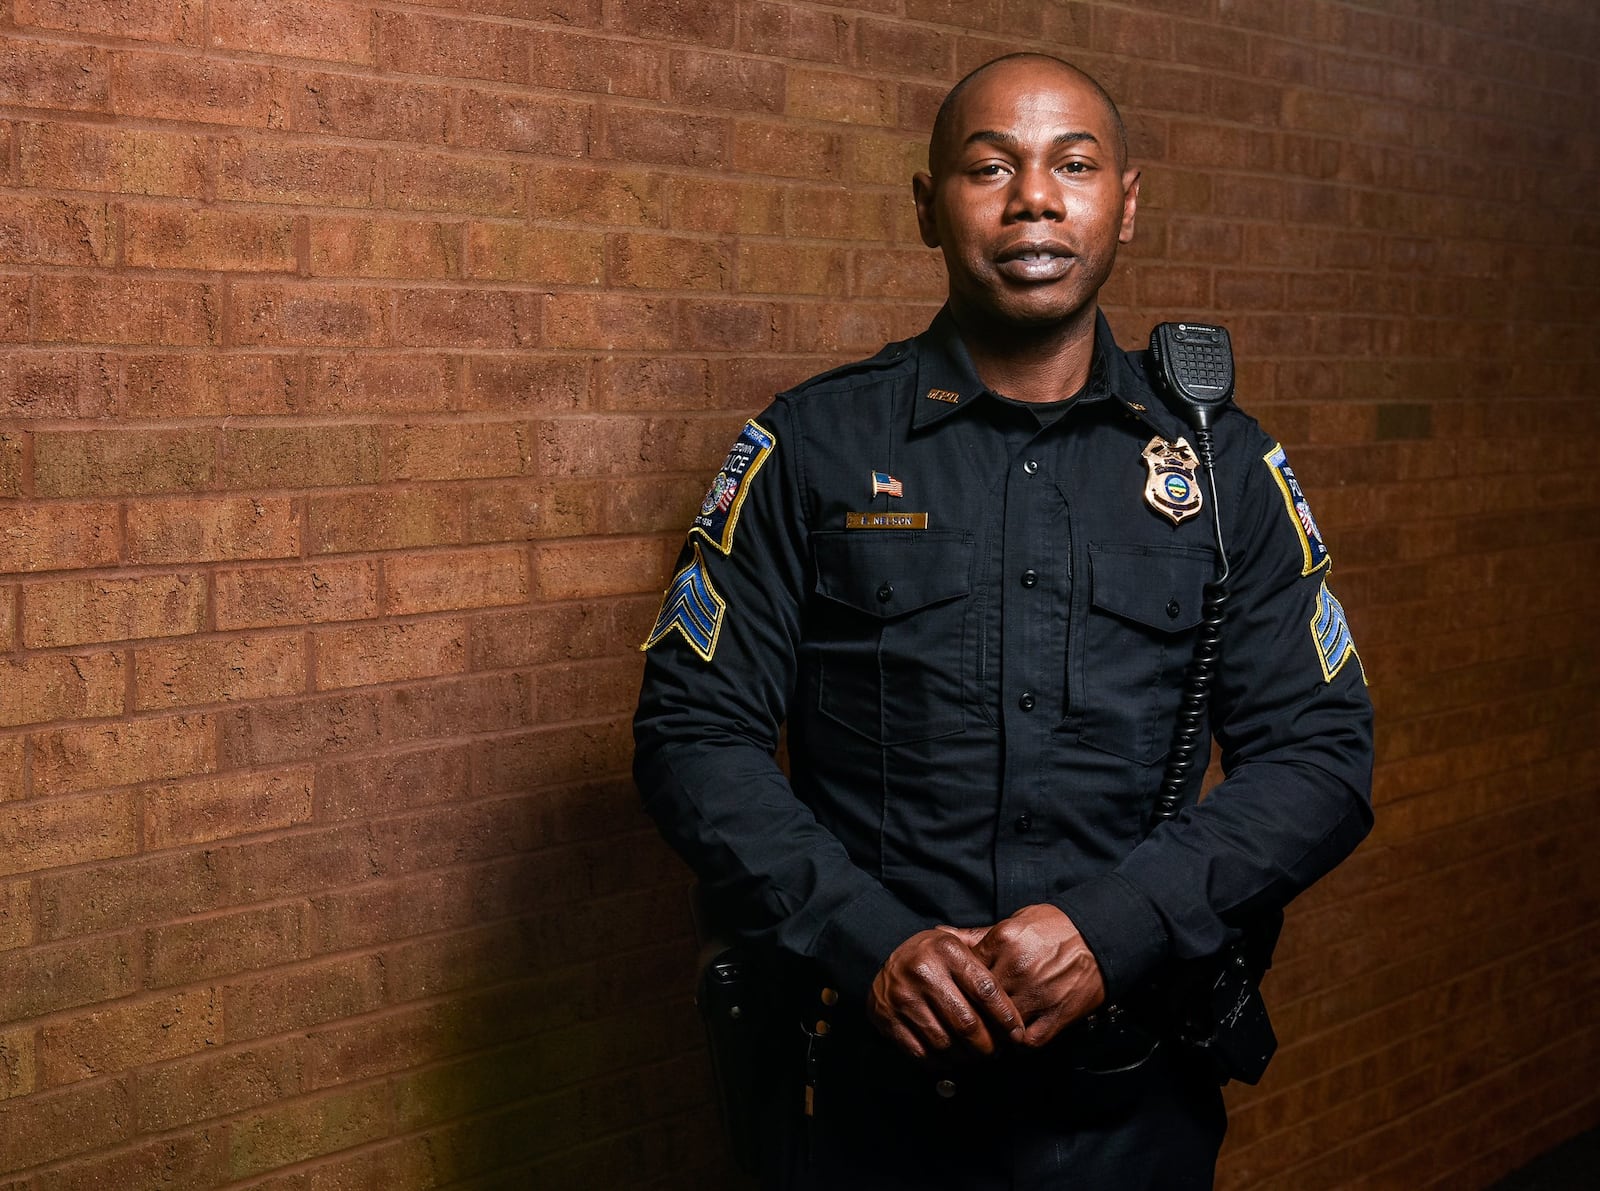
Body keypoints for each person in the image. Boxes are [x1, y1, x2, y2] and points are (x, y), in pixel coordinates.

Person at [633, 53, 1373, 1190]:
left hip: (1132, 1107)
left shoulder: (1224, 470)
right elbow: (691, 733)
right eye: (990, 166)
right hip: (868, 1111)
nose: (1034, 196)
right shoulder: (811, 448)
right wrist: (863, 937)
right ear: (928, 207)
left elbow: (1321, 755)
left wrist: (1112, 929)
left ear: (1124, 202)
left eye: (1073, 165)